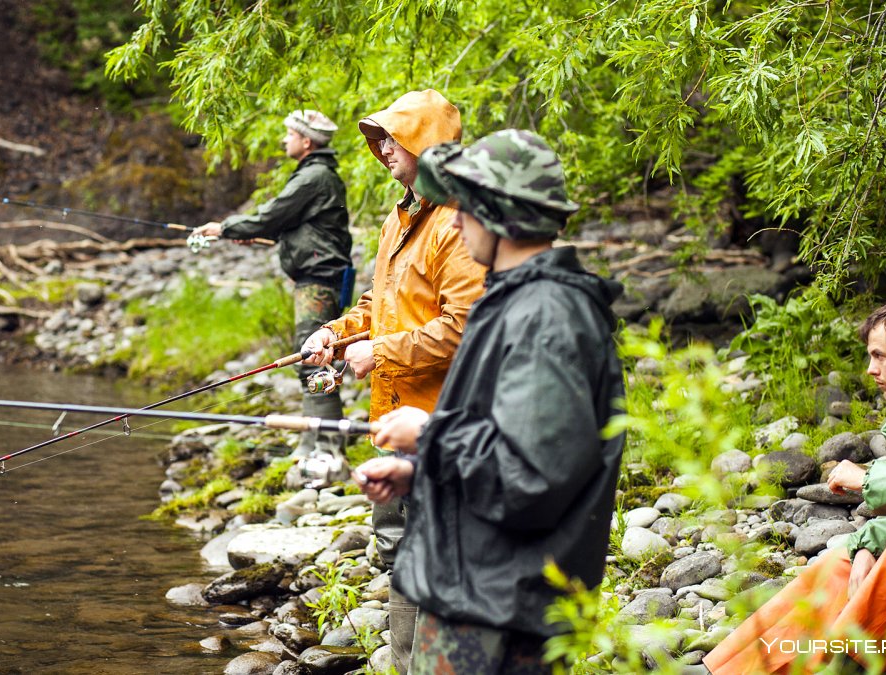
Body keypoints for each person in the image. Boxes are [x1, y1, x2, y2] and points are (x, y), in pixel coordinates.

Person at [352, 129, 625, 675]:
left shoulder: (546, 317)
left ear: (499, 215)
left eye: (466, 208)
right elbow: (504, 442)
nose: (454, 220)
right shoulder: (517, 303)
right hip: (482, 594)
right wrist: (420, 470)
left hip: (502, 616)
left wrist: (428, 436)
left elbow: (533, 476)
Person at [301, 89, 487, 673]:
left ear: (427, 146)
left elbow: (464, 328)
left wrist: (379, 350)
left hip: (442, 426)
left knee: (432, 560)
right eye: (377, 138)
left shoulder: (458, 225)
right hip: (393, 423)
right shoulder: (399, 216)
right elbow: (381, 303)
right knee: (399, 552)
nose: (381, 149)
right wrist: (337, 332)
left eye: (393, 138)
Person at [705, 296, 886, 674]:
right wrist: (867, 546)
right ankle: (729, 670)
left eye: (879, 356)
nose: (869, 369)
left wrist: (867, 478)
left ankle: (838, 668)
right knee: (841, 565)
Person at [193, 110, 353, 459]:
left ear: (306, 141)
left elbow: (274, 213)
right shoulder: (318, 176)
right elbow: (297, 225)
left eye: (289, 134)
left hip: (318, 280)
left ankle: (325, 451)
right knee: (313, 357)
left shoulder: (314, 177)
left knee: (314, 358)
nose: (284, 140)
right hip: (319, 277)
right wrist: (267, 236)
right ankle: (317, 444)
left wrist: (225, 228)